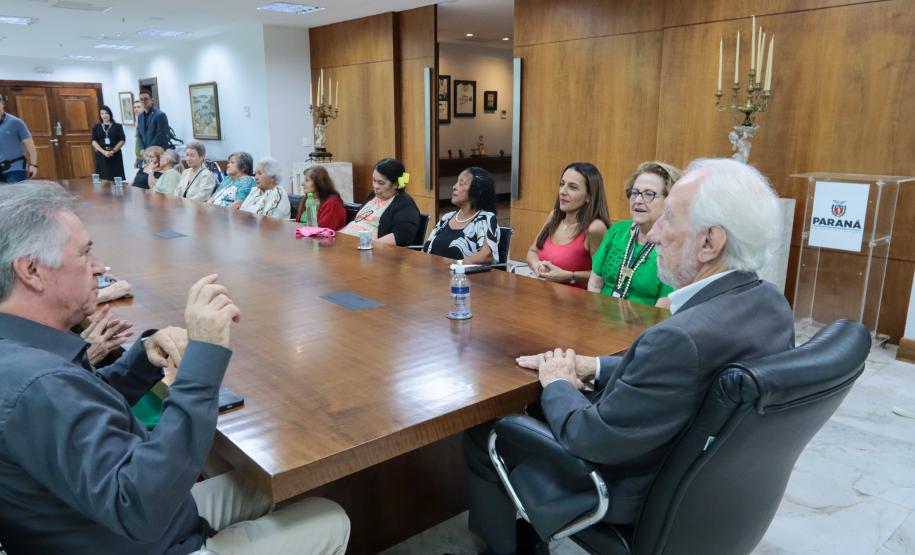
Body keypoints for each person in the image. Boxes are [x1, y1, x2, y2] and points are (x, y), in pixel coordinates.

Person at [463, 158, 796, 555]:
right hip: (707, 492)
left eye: (668, 218)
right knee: (543, 408)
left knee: (485, 433)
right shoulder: (771, 306)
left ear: (710, 242)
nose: (654, 233)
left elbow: (590, 437)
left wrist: (558, 383)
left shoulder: (677, 338)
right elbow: (685, 378)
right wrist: (592, 366)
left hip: (624, 491)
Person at [0, 181, 350, 553]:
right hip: (146, 531)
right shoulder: (38, 383)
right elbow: (140, 506)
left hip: (111, 522)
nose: (99, 267)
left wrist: (139, 362)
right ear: (32, 270)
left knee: (268, 487)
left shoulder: (22, 356)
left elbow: (79, 407)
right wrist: (203, 357)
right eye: (85, 254)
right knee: (329, 517)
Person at [588, 161, 682, 306]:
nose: (637, 200)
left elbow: (663, 309)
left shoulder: (674, 247)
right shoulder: (617, 231)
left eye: (649, 194)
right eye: (635, 193)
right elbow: (594, 284)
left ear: (669, 201)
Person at [525, 162, 610, 288]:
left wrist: (569, 276)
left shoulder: (595, 228)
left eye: (573, 187)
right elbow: (532, 252)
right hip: (541, 293)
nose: (562, 191)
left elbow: (604, 275)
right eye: (562, 184)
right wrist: (537, 265)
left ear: (589, 196)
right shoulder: (554, 216)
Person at [423, 166, 500, 264]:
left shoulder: (485, 219)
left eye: (461, 183)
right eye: (456, 182)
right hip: (432, 270)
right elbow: (426, 248)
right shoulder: (447, 217)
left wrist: (456, 264)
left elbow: (486, 255)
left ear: (478, 190)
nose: (454, 186)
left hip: (460, 273)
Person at [340, 158, 420, 246]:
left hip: (368, 249)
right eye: (374, 181)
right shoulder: (373, 196)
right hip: (346, 243)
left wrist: (368, 245)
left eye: (381, 183)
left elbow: (401, 237)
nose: (375, 186)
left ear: (396, 184)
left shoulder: (405, 205)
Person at [0, 93, 39, 184]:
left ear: (2, 103)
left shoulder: (16, 122)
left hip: (15, 168)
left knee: (15, 193)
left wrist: (34, 165)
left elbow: (30, 145)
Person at [294, 165, 347, 230]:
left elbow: (323, 231)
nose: (302, 184)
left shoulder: (332, 203)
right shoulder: (307, 198)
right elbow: (298, 224)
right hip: (303, 235)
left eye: (307, 180)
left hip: (319, 236)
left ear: (319, 182)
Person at [90, 105, 126, 181]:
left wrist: (112, 151)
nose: (104, 115)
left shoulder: (118, 126)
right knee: (103, 178)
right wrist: (103, 152)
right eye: (102, 113)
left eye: (106, 113)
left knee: (116, 178)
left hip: (115, 154)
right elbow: (93, 141)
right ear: (100, 115)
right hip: (101, 154)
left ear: (110, 114)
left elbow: (122, 140)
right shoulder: (96, 127)